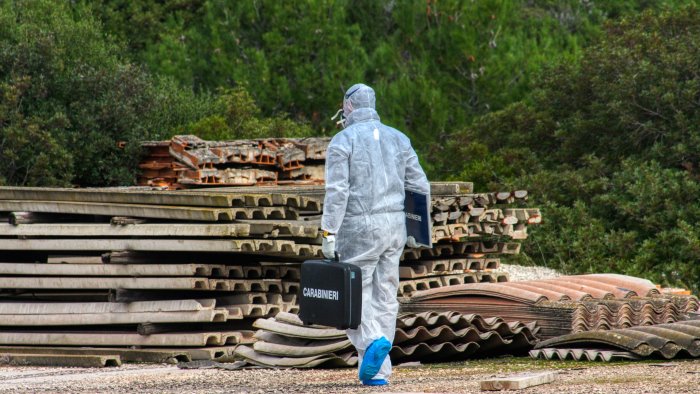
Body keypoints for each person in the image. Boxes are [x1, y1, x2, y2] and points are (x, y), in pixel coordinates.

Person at [321, 83, 430, 386]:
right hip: (394, 228)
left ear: (349, 107)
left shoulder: (342, 141)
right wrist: (417, 229)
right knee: (385, 295)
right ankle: (379, 372)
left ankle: (371, 343)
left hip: (359, 228)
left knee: (353, 295)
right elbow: (420, 185)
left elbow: (337, 191)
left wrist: (328, 231)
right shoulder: (400, 139)